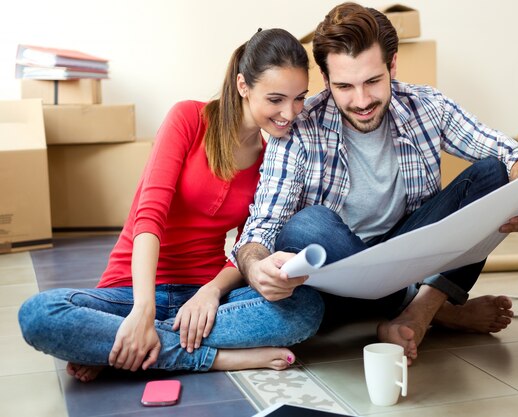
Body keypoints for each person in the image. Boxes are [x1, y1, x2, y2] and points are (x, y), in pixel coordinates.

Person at [233, 3, 518, 364]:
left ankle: (418, 312)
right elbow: (261, 229)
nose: (362, 100)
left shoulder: (426, 106)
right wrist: (256, 267)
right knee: (308, 226)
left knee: (493, 174)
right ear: (324, 76)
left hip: (405, 256)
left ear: (392, 65)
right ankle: (433, 309)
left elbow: (514, 152)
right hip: (337, 281)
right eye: (345, 86)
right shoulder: (300, 129)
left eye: (373, 81)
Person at [18, 28, 323, 383]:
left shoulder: (273, 160)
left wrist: (210, 292)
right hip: (132, 290)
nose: (291, 112)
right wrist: (142, 312)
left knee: (306, 308)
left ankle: (121, 347)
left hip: (204, 299)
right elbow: (148, 218)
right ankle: (215, 358)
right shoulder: (188, 119)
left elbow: (246, 247)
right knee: (39, 313)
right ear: (243, 85)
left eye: (299, 98)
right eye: (276, 99)